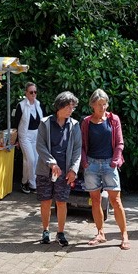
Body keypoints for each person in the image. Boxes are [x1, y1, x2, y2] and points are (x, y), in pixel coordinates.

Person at [81, 89, 130, 250]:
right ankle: (100, 233)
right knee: (95, 200)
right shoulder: (87, 122)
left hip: (110, 164)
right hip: (92, 165)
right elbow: (81, 145)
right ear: (92, 105)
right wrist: (85, 162)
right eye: (99, 105)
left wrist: (115, 161)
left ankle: (124, 235)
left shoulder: (113, 119)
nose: (102, 108)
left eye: (104, 104)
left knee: (116, 200)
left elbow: (120, 143)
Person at [36, 91, 81, 247]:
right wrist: (51, 163)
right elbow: (40, 146)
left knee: (61, 202)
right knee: (46, 201)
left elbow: (77, 149)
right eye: (68, 107)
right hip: (45, 170)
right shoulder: (45, 123)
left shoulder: (74, 125)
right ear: (59, 106)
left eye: (72, 107)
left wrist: (74, 170)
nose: (70, 110)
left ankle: (60, 232)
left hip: (65, 171)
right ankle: (45, 231)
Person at [13, 82, 44, 194]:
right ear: (26, 93)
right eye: (31, 92)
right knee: (30, 159)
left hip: (36, 135)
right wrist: (16, 140)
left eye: (35, 92)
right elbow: (16, 123)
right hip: (24, 135)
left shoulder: (38, 104)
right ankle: (33, 184)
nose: (33, 94)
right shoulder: (21, 105)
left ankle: (25, 182)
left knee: (33, 160)